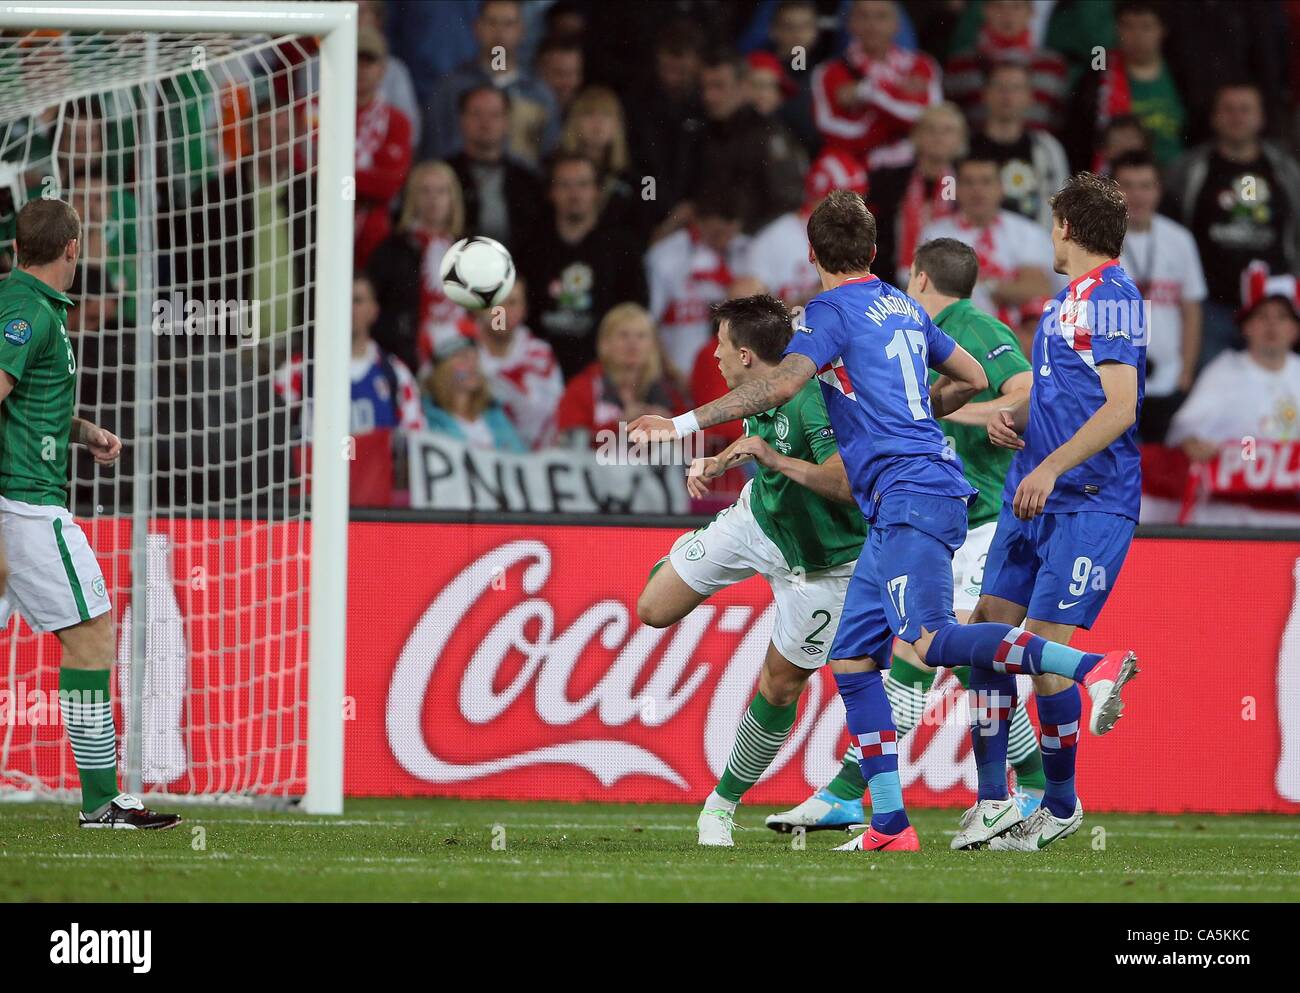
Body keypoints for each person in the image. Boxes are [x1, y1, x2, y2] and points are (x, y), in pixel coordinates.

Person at [630, 188, 1137, 852]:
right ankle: (890, 823)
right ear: (874, 251)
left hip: (911, 495)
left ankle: (1087, 668)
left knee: (930, 641)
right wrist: (911, 411)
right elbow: (974, 375)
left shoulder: (827, 312)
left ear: (812, 254)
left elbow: (780, 385)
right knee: (851, 657)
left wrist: (681, 423)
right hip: (905, 497)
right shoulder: (901, 303)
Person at [767, 237, 1046, 835]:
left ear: (918, 278)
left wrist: (952, 412)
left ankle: (1023, 786)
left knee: (928, 647)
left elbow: (1023, 392)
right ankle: (896, 807)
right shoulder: (900, 322)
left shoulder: (963, 323)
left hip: (976, 513)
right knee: (895, 652)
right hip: (921, 505)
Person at [949, 172, 1147, 851]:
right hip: (1032, 496)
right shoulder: (1069, 299)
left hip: (1089, 501)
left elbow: (1121, 408)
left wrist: (1051, 463)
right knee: (986, 637)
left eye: (1053, 222)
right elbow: (1067, 395)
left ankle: (1059, 805)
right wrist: (1014, 417)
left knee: (1046, 660)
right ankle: (993, 800)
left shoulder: (1115, 298)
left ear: (1066, 226)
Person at [636, 295, 867, 848]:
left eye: (719, 346)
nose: (712, 356)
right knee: (652, 610)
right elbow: (749, 438)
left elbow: (847, 487)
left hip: (827, 566)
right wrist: (718, 459)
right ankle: (690, 548)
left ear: (744, 354)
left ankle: (720, 805)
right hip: (758, 523)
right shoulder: (758, 387)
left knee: (781, 688)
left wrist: (772, 459)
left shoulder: (814, 402)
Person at [0, 197, 179, 829]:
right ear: (73, 249)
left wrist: (80, 432)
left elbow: (22, 407)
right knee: (92, 636)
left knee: (88, 636)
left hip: (22, 497)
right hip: (23, 505)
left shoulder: (26, 304)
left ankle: (103, 802)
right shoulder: (23, 313)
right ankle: (103, 803)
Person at [1164, 82, 1300, 372]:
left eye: (1245, 109)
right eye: (1228, 110)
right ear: (1214, 118)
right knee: (1211, 397)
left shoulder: (1285, 170)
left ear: (1261, 117)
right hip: (1211, 307)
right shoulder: (1190, 169)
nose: (1237, 117)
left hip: (1271, 310)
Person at [1166, 269, 1300, 527]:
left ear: (1295, 329)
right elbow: (1184, 430)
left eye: (1282, 318)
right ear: (1247, 326)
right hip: (1230, 518)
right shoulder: (1224, 370)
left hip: (1291, 519)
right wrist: (1191, 442)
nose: (1272, 326)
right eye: (1263, 317)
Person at [517, 153, 647, 380]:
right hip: (539, 374)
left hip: (604, 373)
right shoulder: (530, 248)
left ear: (597, 191)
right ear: (551, 193)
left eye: (583, 184)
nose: (574, 194)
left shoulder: (622, 248)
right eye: (565, 185)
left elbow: (634, 313)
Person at [1111, 151, 1205, 442]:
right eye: (1127, 185)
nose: (1136, 195)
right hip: (1112, 383)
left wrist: (1186, 371)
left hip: (1168, 378)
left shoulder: (1179, 240)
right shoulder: (1094, 240)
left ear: (1158, 190)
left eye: (1145, 185)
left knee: (1161, 476)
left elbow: (1191, 308)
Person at [919, 154, 1058, 348]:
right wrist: (1009, 287)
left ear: (1001, 188)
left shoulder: (1028, 232)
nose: (977, 190)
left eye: (986, 182)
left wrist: (986, 285)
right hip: (957, 341)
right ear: (956, 189)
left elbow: (1040, 289)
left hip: (1019, 342)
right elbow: (934, 294)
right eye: (969, 182)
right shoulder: (935, 234)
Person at [423, 0, 559, 164]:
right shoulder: (450, 88)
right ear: (477, 28)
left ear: (521, 30)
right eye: (492, 22)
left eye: (508, 24)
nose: (499, 32)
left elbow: (548, 156)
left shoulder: (539, 94)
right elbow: (435, 150)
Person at [365, 160, 467, 376]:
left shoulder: (472, 247)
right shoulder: (393, 248)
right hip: (409, 359)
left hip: (464, 353)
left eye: (441, 191)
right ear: (412, 198)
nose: (434, 199)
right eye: (425, 191)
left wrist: (493, 329)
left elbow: (498, 305)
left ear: (453, 198)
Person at [811, 0, 941, 168]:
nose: (872, 25)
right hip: (860, 170)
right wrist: (898, 101)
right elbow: (830, 130)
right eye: (863, 16)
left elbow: (930, 120)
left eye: (881, 16)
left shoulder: (922, 66)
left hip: (913, 169)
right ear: (850, 23)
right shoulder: (828, 72)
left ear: (897, 24)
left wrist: (868, 93)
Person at [646, 189, 749, 378]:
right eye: (717, 233)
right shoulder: (665, 256)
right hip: (678, 369)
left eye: (731, 232)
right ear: (699, 222)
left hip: (731, 371)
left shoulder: (745, 250)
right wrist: (670, 371)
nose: (725, 240)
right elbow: (649, 322)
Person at [555, 302, 683, 449]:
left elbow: (698, 442)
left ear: (653, 345)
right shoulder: (582, 388)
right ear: (605, 344)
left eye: (641, 336)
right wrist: (619, 425)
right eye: (623, 335)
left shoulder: (669, 391)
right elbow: (569, 445)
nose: (633, 344)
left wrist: (671, 425)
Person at [867, 101, 965, 285]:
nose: (939, 137)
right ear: (916, 136)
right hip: (891, 281)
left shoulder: (967, 182)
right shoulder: (888, 179)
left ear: (960, 140)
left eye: (947, 131)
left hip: (951, 283)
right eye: (931, 130)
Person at [968, 61, 1070, 229]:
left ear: (1030, 97)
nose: (1007, 96)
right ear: (984, 95)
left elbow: (1061, 205)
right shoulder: (964, 147)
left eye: (1016, 88)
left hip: (1032, 249)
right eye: (999, 87)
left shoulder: (1048, 148)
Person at [943, 0, 1068, 132]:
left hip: (1038, 149)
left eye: (1016, 7)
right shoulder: (960, 64)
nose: (1008, 15)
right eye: (999, 6)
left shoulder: (1053, 65)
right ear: (985, 11)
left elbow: (1060, 120)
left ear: (1031, 12)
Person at [446, 85, 544, 248]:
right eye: (477, 114)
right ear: (462, 120)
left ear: (507, 122)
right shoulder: (445, 174)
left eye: (494, 115)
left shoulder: (528, 181)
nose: (485, 122)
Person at [474, 277, 564, 451]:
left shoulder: (541, 357)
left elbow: (554, 419)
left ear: (524, 310)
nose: (503, 311)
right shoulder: (456, 348)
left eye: (513, 302)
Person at [354, 24, 414, 270]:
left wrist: (334, 174)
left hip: (374, 233)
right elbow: (304, 175)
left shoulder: (397, 121)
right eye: (355, 59)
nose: (361, 69)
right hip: (317, 227)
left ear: (383, 69)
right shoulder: (314, 111)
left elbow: (389, 185)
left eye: (369, 61)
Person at [422, 336, 525, 453]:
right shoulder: (427, 417)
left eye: (475, 359)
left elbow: (521, 456)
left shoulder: (494, 413)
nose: (473, 366)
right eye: (463, 359)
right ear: (443, 369)